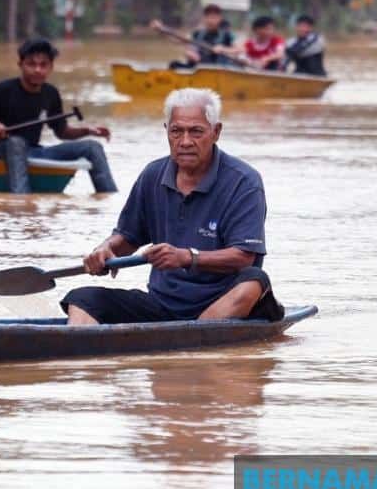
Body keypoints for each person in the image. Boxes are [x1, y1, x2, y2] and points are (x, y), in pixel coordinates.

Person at [59, 87, 284, 326]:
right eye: (177, 131)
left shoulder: (244, 181)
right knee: (82, 299)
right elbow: (128, 237)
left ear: (216, 132)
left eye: (196, 131)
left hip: (223, 300)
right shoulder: (152, 175)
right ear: (167, 131)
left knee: (254, 281)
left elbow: (243, 257)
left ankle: (196, 335)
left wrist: (187, 257)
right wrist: (104, 250)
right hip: (163, 304)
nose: (185, 141)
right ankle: (84, 346)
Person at [0, 38, 117, 194]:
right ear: (20, 65)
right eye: (31, 64)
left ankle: (109, 197)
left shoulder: (50, 93)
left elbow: (62, 132)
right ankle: (21, 200)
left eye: (43, 65)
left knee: (92, 147)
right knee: (16, 143)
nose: (37, 70)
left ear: (51, 67)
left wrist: (87, 131)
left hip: (33, 151)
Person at [150, 4, 241, 70]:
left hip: (219, 70)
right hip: (199, 69)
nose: (211, 20)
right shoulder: (197, 33)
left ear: (220, 19)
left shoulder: (227, 34)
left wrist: (223, 49)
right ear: (204, 18)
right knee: (174, 65)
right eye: (208, 17)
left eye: (214, 17)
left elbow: (239, 49)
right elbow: (179, 41)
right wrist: (161, 30)